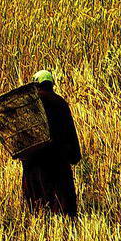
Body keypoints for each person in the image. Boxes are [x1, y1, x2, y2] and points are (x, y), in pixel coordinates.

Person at [21, 70, 81, 217]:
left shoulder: (30, 103)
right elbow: (69, 130)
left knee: (36, 194)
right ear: (51, 84)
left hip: (36, 156)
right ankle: (63, 219)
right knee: (61, 191)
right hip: (59, 156)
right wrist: (74, 154)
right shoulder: (60, 102)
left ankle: (38, 218)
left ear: (35, 84)